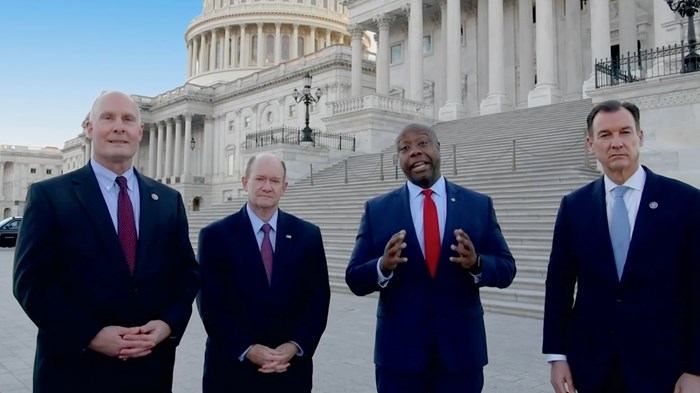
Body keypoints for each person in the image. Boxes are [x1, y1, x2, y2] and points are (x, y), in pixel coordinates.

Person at [13, 91, 200, 393]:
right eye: (108, 118)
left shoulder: (168, 200)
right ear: (89, 128)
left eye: (128, 119)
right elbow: (31, 283)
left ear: (140, 130)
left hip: (149, 368)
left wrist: (167, 324)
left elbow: (186, 275)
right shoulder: (50, 195)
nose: (119, 127)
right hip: (74, 370)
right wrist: (90, 335)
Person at [345, 123, 516, 393]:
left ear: (439, 149)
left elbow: (507, 269)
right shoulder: (377, 210)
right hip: (399, 360)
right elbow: (354, 277)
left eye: (422, 143)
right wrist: (382, 266)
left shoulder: (478, 205)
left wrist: (477, 263)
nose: (414, 152)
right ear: (399, 159)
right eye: (405, 148)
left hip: (460, 358)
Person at [543, 100, 700, 393]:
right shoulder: (574, 206)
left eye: (625, 132)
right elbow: (559, 286)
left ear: (640, 137)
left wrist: (696, 368)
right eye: (605, 135)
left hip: (665, 367)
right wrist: (557, 355)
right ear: (590, 144)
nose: (616, 143)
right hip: (592, 366)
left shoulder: (686, 201)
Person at [197, 153, 331, 393]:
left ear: (285, 187)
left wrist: (294, 346)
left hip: (289, 369)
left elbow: (318, 300)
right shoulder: (215, 236)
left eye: (274, 181)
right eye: (259, 179)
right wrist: (247, 349)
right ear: (244, 182)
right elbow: (210, 304)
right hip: (232, 369)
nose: (267, 187)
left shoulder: (308, 235)